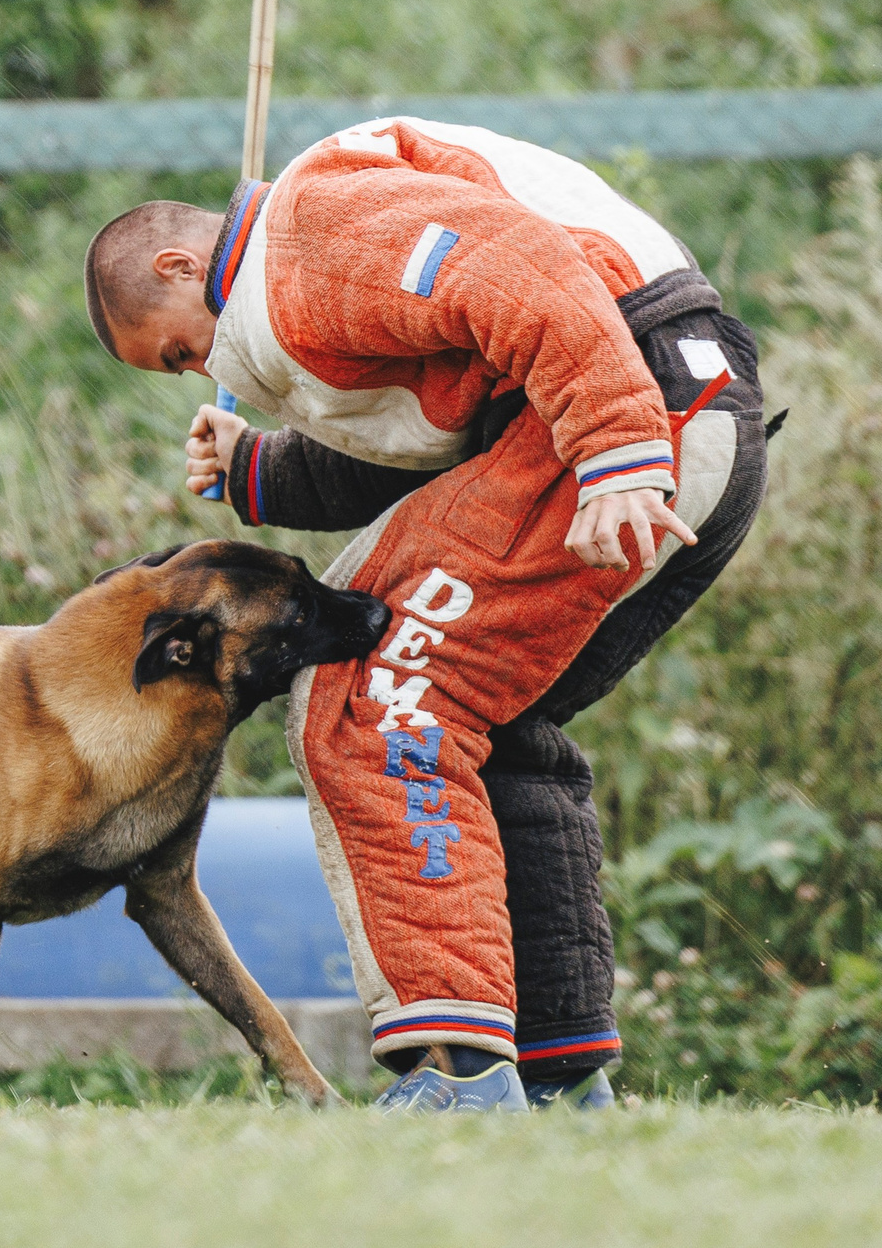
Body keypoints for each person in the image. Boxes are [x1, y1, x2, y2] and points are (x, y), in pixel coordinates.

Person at [84, 116, 767, 1111]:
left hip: (624, 418)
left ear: (185, 263)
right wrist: (254, 470)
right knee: (488, 721)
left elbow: (517, 266)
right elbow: (431, 429)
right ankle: (559, 1077)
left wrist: (617, 444)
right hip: (672, 409)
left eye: (180, 350)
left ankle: (458, 1075)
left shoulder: (314, 225)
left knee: (373, 695)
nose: (198, 370)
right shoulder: (326, 269)